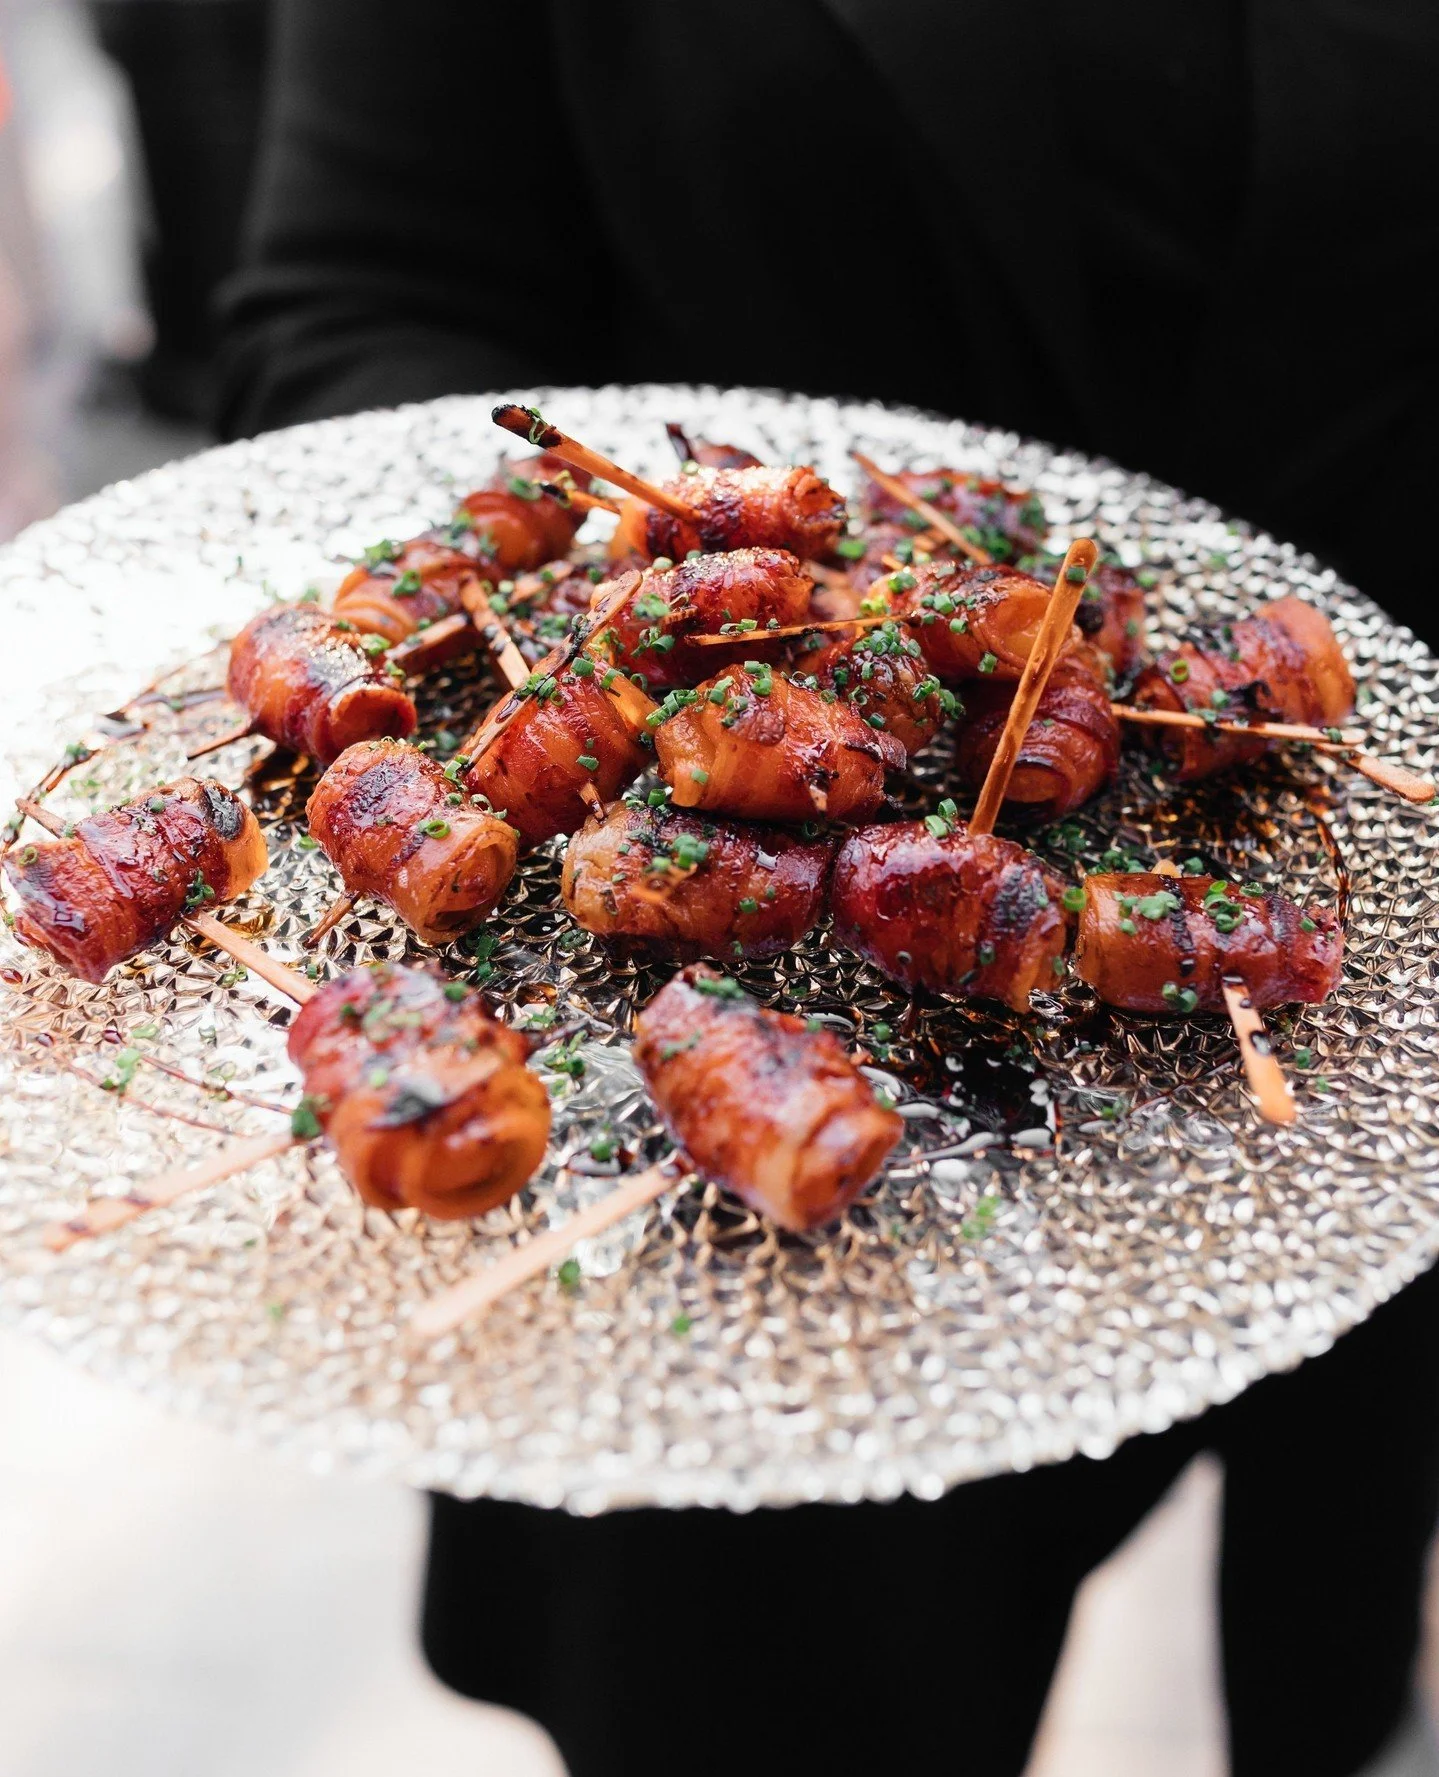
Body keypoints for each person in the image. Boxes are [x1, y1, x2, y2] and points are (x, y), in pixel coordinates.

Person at [215, 6, 1439, 1774]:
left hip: (1354, 949)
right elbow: (359, 288)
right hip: (732, 1220)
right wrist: (569, 608)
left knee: (1332, 1622)